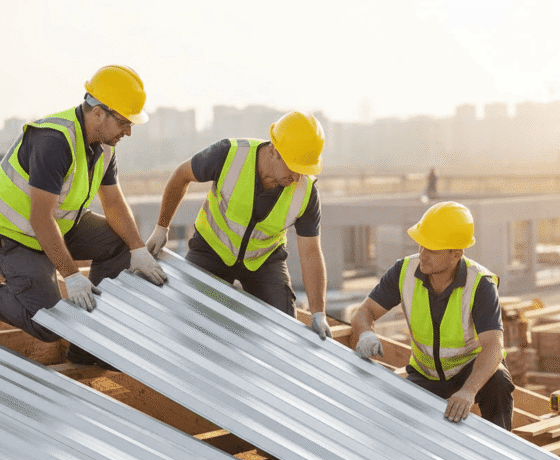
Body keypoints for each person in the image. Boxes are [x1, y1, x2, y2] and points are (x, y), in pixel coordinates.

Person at [0, 65, 166, 367]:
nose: (128, 131)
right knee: (51, 326)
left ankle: (88, 342)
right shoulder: (54, 141)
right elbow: (40, 219)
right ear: (99, 112)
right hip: (15, 235)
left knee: (121, 244)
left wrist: (137, 249)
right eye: (125, 122)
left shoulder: (104, 145)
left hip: (61, 228)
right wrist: (72, 276)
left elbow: (113, 203)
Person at [145, 111, 332, 339]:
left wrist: (318, 312)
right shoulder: (229, 154)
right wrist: (162, 228)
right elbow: (181, 175)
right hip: (212, 250)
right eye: (293, 167)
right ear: (273, 151)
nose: (297, 177)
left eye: (304, 170)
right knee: (188, 316)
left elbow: (311, 253)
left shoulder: (307, 193)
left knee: (281, 328)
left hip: (263, 260)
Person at [351, 201, 515, 430]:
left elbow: (493, 346)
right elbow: (364, 311)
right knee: (392, 417)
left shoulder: (480, 284)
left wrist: (468, 391)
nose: (423, 255)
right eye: (421, 246)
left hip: (468, 371)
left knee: (498, 383)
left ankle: (502, 455)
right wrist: (366, 334)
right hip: (424, 374)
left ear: (456, 254)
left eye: (432, 250)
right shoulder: (403, 271)